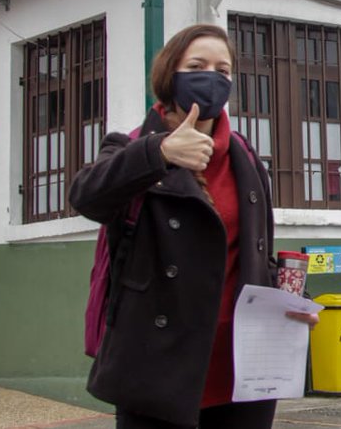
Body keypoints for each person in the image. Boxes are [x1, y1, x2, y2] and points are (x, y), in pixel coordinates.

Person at [69, 24, 317, 429]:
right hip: (158, 365)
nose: (212, 77)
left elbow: (252, 253)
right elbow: (87, 196)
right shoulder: (131, 145)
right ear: (171, 74)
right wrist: (160, 152)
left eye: (223, 70)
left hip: (244, 367)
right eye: (197, 65)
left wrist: (292, 299)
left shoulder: (245, 156)